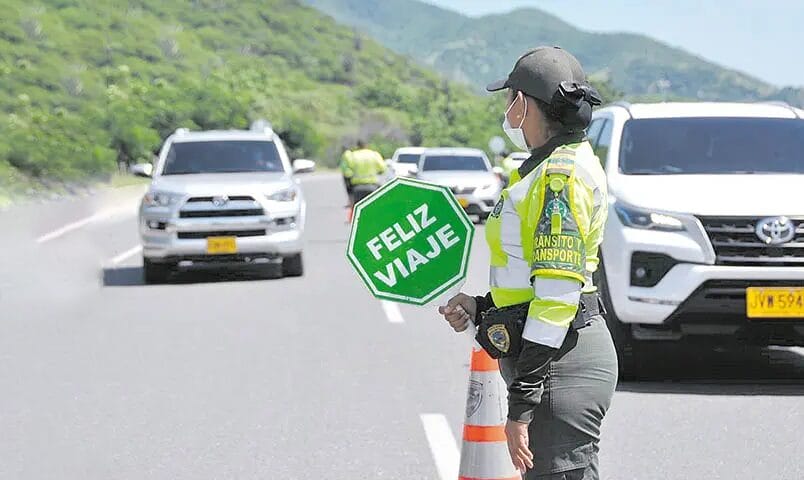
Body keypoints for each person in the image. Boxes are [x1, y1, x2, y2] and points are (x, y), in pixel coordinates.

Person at [438, 46, 617, 480]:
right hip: (552, 355)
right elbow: (533, 279)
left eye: (509, 97)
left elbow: (556, 297)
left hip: (558, 366)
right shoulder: (544, 170)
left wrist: (522, 404)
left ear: (523, 104)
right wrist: (483, 307)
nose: (506, 107)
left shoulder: (561, 179)